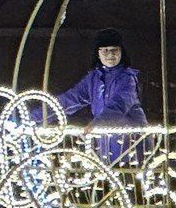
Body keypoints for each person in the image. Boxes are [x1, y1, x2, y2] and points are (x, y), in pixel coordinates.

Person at [55, 28, 149, 162]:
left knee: (125, 172)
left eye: (114, 50)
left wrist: (96, 124)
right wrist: (38, 116)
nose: (110, 54)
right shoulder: (93, 79)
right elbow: (70, 99)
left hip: (131, 145)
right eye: (105, 50)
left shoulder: (127, 78)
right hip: (106, 144)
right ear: (98, 53)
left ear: (121, 52)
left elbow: (119, 105)